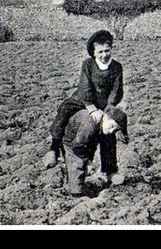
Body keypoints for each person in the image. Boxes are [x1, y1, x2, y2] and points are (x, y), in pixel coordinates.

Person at [43, 30, 124, 178]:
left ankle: (110, 171)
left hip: (104, 105)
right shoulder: (88, 65)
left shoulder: (117, 67)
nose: (104, 55)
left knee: (108, 132)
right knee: (64, 111)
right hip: (82, 101)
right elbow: (85, 87)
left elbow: (116, 90)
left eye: (107, 51)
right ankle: (53, 148)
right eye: (100, 52)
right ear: (93, 52)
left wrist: (108, 110)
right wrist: (91, 108)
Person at [60, 107, 129, 196]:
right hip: (71, 141)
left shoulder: (103, 124)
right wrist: (87, 162)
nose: (112, 130)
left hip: (85, 139)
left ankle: (109, 173)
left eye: (115, 129)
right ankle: (74, 193)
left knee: (86, 162)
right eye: (112, 126)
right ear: (106, 117)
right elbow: (77, 146)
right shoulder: (90, 124)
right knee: (77, 163)